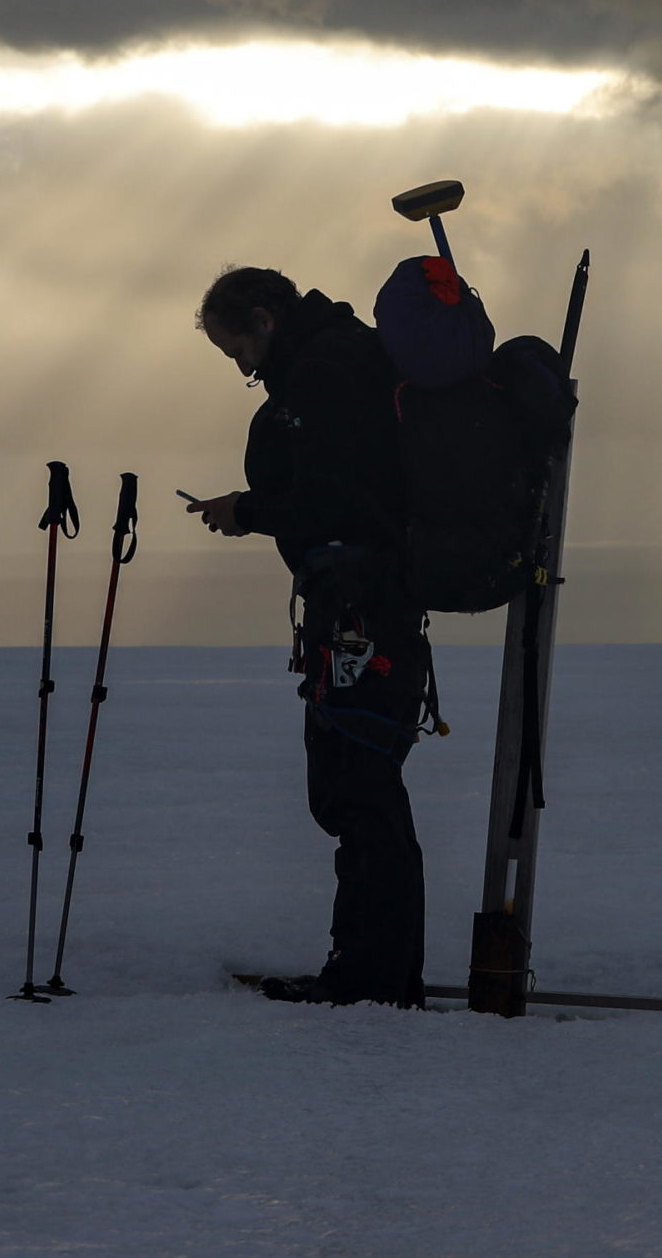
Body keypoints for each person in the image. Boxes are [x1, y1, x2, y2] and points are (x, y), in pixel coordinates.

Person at [186, 265, 430, 1008]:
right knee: (355, 788)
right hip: (359, 603)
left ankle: (374, 978)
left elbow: (333, 494)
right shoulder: (337, 355)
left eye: (239, 352)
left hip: (362, 604)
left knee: (358, 790)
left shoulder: (326, 369)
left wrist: (246, 510)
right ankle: (365, 968)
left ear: (263, 319)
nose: (244, 370)